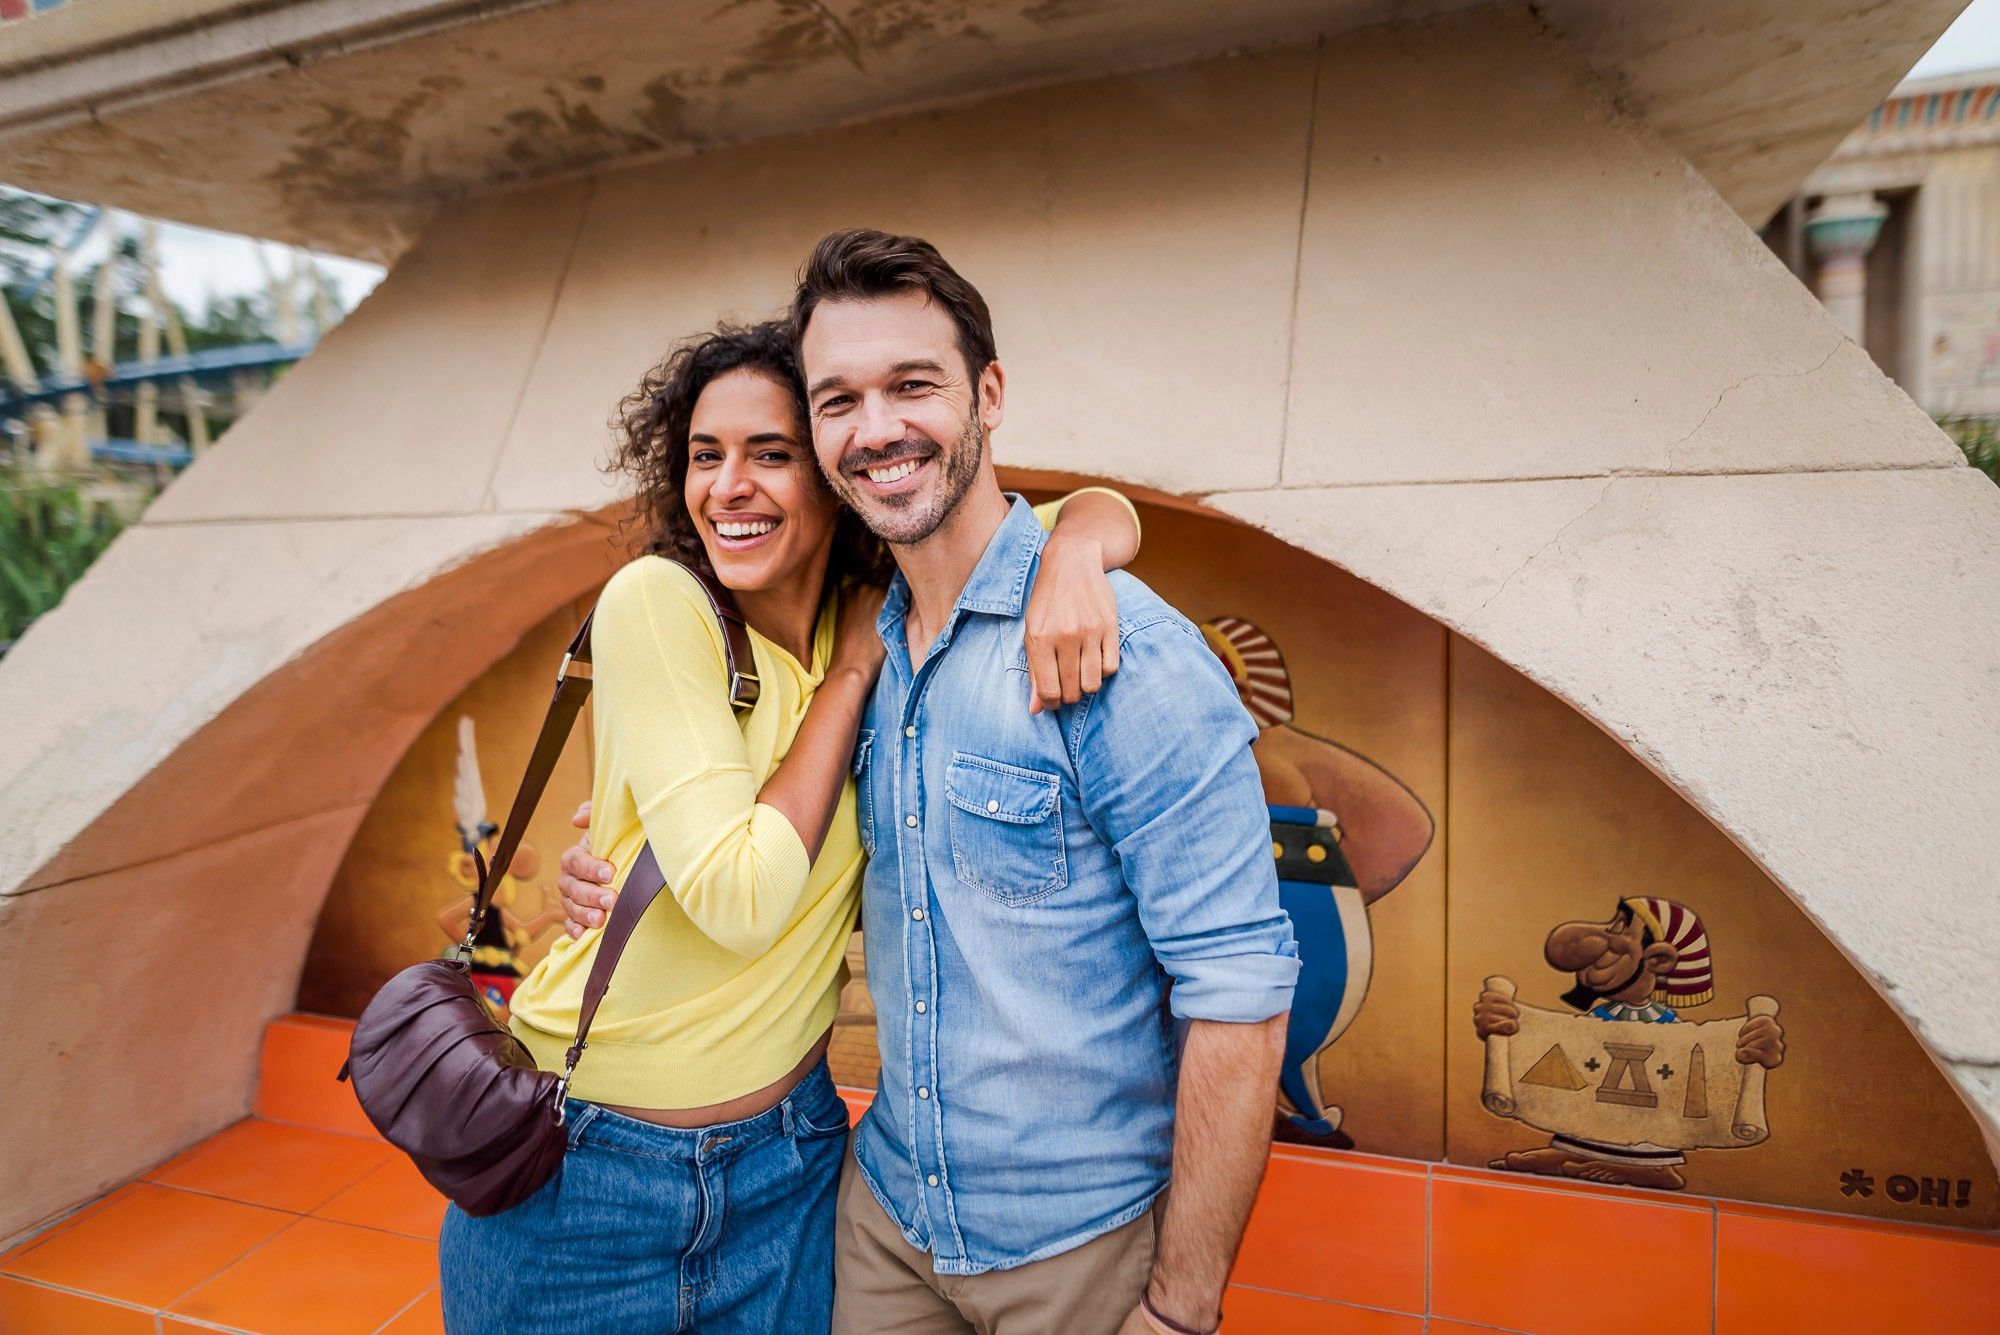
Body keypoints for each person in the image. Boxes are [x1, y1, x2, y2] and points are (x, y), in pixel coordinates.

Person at [562, 231, 1298, 1335]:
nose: (877, 430)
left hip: (1074, 1245)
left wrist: (1183, 1307)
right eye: (837, 401)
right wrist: (615, 867)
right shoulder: (859, 651)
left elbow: (1237, 990)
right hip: (884, 1226)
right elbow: (738, 823)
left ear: (988, 393)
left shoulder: (1120, 652)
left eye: (912, 386)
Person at [437, 318, 1141, 1335]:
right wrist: (849, 678)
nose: (729, 486)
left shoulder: (885, 609)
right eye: (703, 457)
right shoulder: (661, 603)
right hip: (587, 1171)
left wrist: (1076, 549)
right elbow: (740, 896)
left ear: (829, 474)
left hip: (789, 1164)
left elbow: (1094, 508)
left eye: (770, 454)